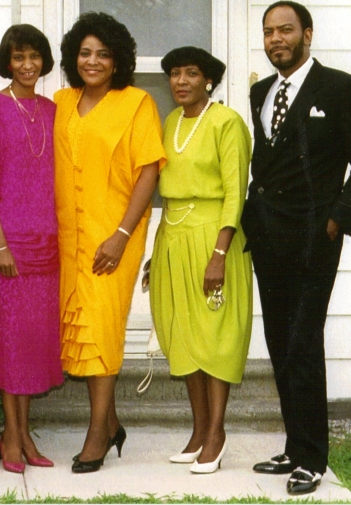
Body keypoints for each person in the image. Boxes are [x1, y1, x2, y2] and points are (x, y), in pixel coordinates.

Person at [242, 1, 351, 496]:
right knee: (282, 343)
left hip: (313, 238)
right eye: (268, 32)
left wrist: (337, 218)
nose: (276, 40)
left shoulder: (340, 87)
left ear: (307, 33)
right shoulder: (261, 91)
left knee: (304, 342)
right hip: (267, 237)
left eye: (285, 30)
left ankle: (313, 458)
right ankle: (294, 443)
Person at [54, 11, 166, 474]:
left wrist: (121, 235)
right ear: (72, 57)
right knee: (80, 332)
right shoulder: (61, 101)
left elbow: (149, 171)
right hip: (67, 238)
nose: (93, 61)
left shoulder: (136, 103)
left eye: (103, 53)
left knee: (102, 331)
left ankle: (97, 434)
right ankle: (112, 421)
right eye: (85, 52)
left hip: (113, 236)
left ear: (118, 59)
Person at [151, 46, 252, 475]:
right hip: (172, 233)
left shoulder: (226, 122)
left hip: (214, 234)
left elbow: (236, 191)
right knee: (182, 335)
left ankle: (217, 433)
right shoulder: (171, 122)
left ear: (208, 80)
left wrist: (219, 254)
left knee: (213, 336)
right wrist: (156, 256)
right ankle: (197, 432)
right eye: (174, 74)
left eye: (191, 74)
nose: (181, 82)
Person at [0, 24, 63, 474]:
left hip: (48, 242)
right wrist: (1, 243)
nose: (28, 65)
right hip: (7, 243)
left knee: (34, 341)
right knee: (10, 342)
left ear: (44, 62)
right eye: (19, 57)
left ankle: (25, 433)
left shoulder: (53, 109)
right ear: (7, 61)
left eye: (35, 57)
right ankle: (10, 434)